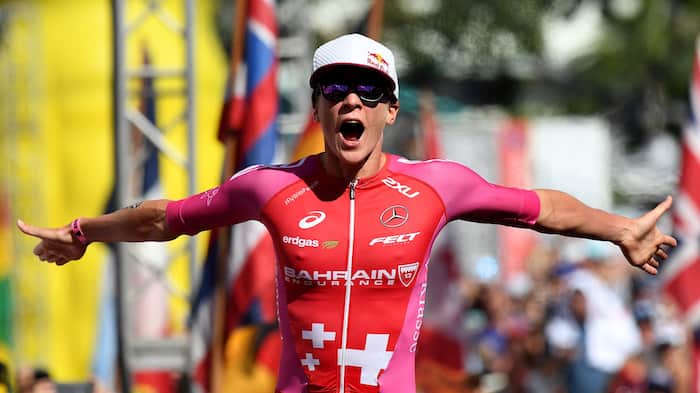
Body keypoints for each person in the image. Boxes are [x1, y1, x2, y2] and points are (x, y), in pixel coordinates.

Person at [17, 33, 676, 393]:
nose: (351, 101)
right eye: (335, 89)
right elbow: (164, 217)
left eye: (370, 90)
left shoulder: (436, 186)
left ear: (390, 110)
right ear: (320, 109)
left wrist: (618, 228)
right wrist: (83, 232)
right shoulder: (270, 188)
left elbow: (540, 209)